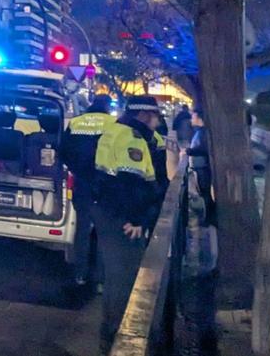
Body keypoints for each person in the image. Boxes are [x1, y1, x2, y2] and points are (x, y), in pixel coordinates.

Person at [93, 95, 167, 354]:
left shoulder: (124, 131)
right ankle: (115, 336)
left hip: (110, 211)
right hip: (122, 217)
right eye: (155, 115)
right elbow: (131, 183)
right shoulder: (130, 138)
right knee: (123, 275)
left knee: (117, 274)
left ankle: (112, 332)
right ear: (144, 114)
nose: (158, 120)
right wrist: (136, 219)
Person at [61, 93, 114, 287]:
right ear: (107, 106)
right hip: (105, 185)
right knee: (102, 231)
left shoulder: (76, 122)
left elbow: (64, 152)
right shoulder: (113, 124)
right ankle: (100, 279)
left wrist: (78, 170)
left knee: (82, 230)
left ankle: (80, 274)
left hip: (82, 183)